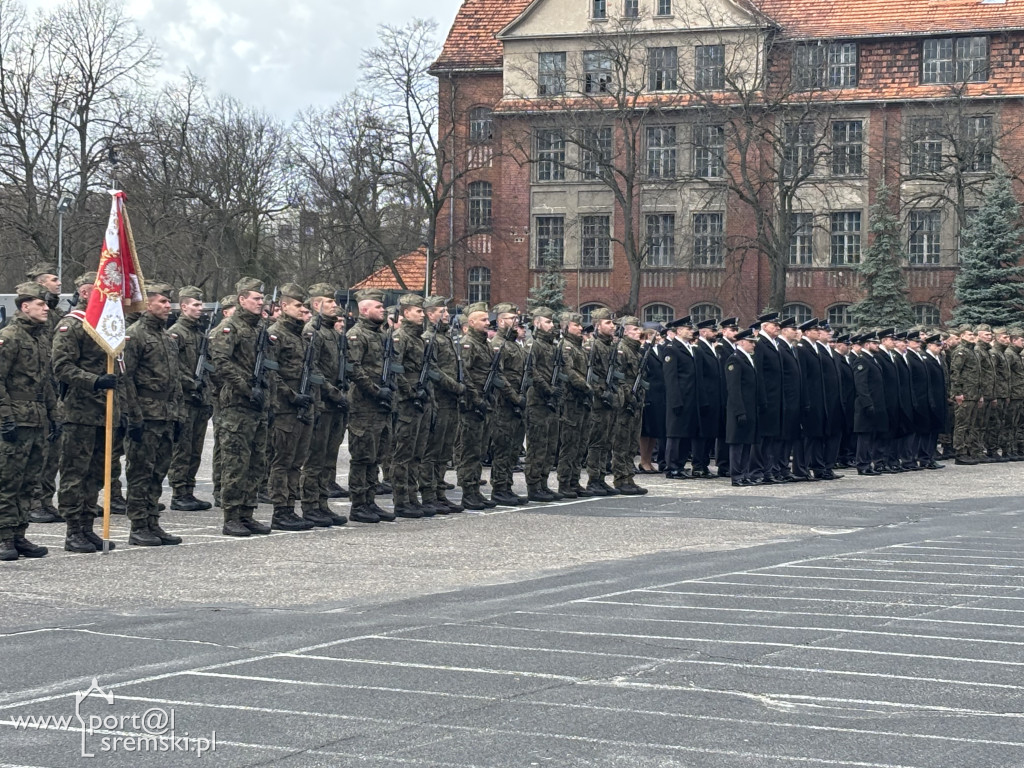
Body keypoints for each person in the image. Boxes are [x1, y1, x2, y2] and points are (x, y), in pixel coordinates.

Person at [52, 272, 122, 553]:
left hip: (105, 412)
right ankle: (72, 531)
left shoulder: (108, 327)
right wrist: (94, 381)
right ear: (84, 291)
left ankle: (87, 526)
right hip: (80, 412)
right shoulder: (73, 326)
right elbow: (61, 367)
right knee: (75, 473)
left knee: (96, 473)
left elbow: (120, 373)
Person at [208, 278, 273, 537]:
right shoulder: (229, 327)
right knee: (235, 462)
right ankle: (231, 515)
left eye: (262, 298)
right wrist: (247, 388)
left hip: (257, 406)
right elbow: (221, 362)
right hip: (236, 404)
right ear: (241, 299)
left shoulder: (259, 329)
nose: (261, 302)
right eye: (256, 298)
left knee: (256, 462)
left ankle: (247, 512)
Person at [122, 282, 184, 546]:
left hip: (167, 414)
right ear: (148, 304)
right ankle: (138, 525)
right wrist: (133, 416)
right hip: (145, 415)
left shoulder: (167, 337)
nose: (167, 306)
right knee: (140, 472)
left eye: (169, 302)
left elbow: (176, 380)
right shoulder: (134, 335)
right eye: (162, 302)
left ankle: (152, 521)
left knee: (158, 472)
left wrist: (179, 415)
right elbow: (126, 379)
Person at [0, 282, 58, 560]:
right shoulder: (9, 337)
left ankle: (19, 534)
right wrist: (5, 417)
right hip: (16, 418)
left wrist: (53, 415)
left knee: (30, 481)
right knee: (8, 480)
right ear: (25, 306)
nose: (46, 308)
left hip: (37, 418)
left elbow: (46, 382)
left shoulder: (40, 338)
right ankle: (4, 537)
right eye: (40, 304)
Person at [298, 284, 349, 527]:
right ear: (317, 305)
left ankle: (322, 502)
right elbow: (312, 368)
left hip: (336, 404)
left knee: (329, 458)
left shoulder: (333, 333)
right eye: (330, 303)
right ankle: (310, 505)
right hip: (322, 402)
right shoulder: (312, 331)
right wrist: (332, 392)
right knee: (315, 459)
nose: (335, 306)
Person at [345, 289, 396, 523]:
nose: (382, 309)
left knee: (376, 455)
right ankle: (358, 504)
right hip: (364, 405)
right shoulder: (357, 335)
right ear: (364, 310)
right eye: (378, 307)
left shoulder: (382, 335)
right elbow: (354, 369)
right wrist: (376, 392)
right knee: (363, 456)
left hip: (381, 406)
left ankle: (370, 500)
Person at [167, 286, 214, 511]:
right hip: (184, 399)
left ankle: (189, 489)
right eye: (195, 305)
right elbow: (173, 366)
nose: (200, 308)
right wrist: (190, 383)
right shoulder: (176, 333)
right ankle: (179, 492)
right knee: (183, 449)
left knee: (195, 449)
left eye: (200, 305)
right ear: (184, 306)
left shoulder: (200, 334)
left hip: (200, 399)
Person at [25, 263, 64, 524]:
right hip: (31, 397)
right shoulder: (30, 322)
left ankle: (46, 500)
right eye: (53, 279)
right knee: (36, 455)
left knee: (52, 452)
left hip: (52, 391)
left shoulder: (55, 314)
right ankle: (33, 503)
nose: (59, 283)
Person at [390, 293, 434, 518]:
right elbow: (396, 370)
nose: (422, 315)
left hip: (421, 401)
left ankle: (412, 496)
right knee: (403, 454)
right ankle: (401, 500)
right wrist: (410, 393)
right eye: (418, 311)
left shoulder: (420, 338)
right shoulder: (401, 337)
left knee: (418, 453)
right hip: (407, 403)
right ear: (406, 313)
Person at [420, 298, 464, 513]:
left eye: (446, 311)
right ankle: (428, 495)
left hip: (450, 402)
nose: (447, 315)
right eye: (442, 311)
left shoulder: (446, 338)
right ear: (430, 315)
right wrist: (456, 386)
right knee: (432, 451)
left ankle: (439, 492)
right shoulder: (429, 339)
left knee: (444, 451)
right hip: (438, 400)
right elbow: (433, 371)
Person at [455, 302, 499, 510]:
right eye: (483, 319)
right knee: (470, 451)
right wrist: (476, 398)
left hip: (486, 403)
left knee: (480, 450)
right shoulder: (468, 344)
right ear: (471, 322)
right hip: (473, 405)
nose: (487, 322)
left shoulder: (485, 344)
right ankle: (467, 492)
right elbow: (466, 375)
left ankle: (475, 490)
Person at [490, 304, 528, 506]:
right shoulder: (499, 344)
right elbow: (499, 376)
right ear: (501, 321)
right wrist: (514, 397)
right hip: (505, 404)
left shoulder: (515, 345)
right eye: (512, 318)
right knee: (503, 448)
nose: (517, 321)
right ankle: (499, 488)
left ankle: (507, 486)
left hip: (517, 404)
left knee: (513, 448)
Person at [524, 307, 561, 501]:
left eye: (552, 322)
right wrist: (547, 388)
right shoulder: (533, 344)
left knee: (549, 445)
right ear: (537, 323)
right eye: (547, 322)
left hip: (551, 401)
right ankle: (533, 485)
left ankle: (543, 483)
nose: (551, 325)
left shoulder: (552, 345)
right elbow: (531, 371)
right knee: (537, 445)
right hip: (537, 400)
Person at [555, 312, 593, 498]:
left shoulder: (578, 347)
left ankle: (574, 480)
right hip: (571, 401)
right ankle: (564, 482)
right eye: (576, 325)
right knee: (569, 443)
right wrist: (587, 386)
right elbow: (569, 372)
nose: (580, 328)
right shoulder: (566, 347)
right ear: (566, 327)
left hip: (582, 400)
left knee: (581, 443)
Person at [610, 316, 648, 495]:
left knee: (632, 443)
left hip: (636, 402)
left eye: (639, 329)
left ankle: (629, 477)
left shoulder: (637, 352)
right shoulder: (621, 350)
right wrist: (629, 395)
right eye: (634, 330)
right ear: (625, 331)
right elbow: (619, 377)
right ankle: (620, 478)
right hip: (625, 403)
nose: (638, 332)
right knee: (622, 442)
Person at [209, 296, 236, 507]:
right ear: (226, 312)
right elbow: (218, 367)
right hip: (222, 395)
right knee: (224, 445)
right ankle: (220, 487)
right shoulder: (220, 333)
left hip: (225, 393)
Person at [724, 328, 758, 486]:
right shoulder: (735, 359)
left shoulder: (747, 358)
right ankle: (736, 475)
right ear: (742, 342)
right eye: (751, 342)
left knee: (746, 442)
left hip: (749, 407)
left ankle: (744, 474)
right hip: (739, 409)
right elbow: (734, 388)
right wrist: (739, 411)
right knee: (737, 443)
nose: (753, 345)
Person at [692, 318, 722, 479]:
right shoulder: (699, 349)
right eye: (712, 331)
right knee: (701, 434)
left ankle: (704, 465)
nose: (715, 333)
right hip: (706, 398)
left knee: (710, 433)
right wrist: (702, 399)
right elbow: (700, 377)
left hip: (714, 398)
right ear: (703, 332)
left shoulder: (711, 348)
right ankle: (698, 465)